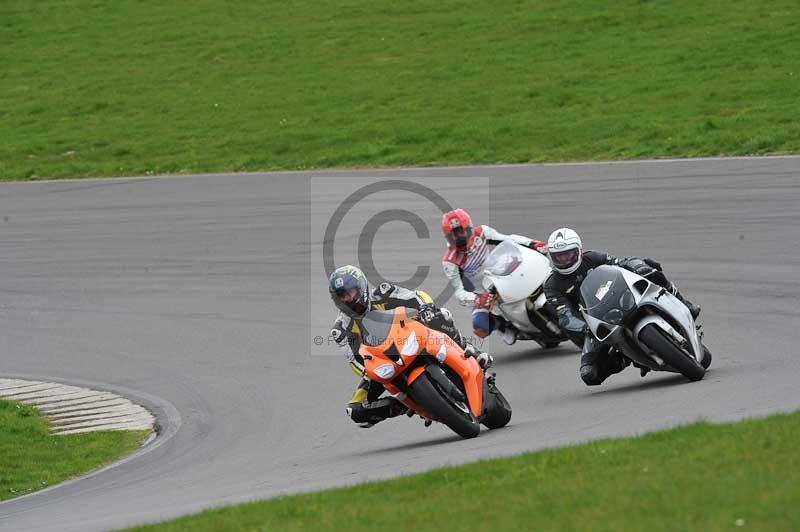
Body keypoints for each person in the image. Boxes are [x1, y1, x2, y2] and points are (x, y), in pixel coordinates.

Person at [329, 265, 492, 428]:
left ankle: (472, 352)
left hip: (409, 334)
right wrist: (369, 372)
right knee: (355, 409)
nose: (347, 299)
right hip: (382, 363)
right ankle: (403, 405)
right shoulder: (341, 329)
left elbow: (416, 296)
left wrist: (426, 308)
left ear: (361, 287)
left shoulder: (382, 293)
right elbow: (354, 360)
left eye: (350, 292)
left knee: (439, 315)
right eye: (342, 296)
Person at [542, 228, 701, 386]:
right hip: (594, 327)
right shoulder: (551, 285)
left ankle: (684, 304)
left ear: (579, 251)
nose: (564, 260)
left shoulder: (592, 257)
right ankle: (623, 359)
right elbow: (565, 316)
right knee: (589, 375)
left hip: (618, 298)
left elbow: (620, 262)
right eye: (558, 257)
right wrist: (584, 327)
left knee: (652, 271)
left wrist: (639, 265)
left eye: (567, 255)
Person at [441, 208, 548, 343]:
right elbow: (459, 292)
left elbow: (508, 239)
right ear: (448, 237)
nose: (459, 238)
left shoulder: (482, 232)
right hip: (483, 294)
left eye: (462, 232)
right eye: (454, 235)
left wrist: (533, 244)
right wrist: (477, 299)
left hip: (500, 275)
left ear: (470, 228)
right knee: (480, 325)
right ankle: (503, 327)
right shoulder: (449, 261)